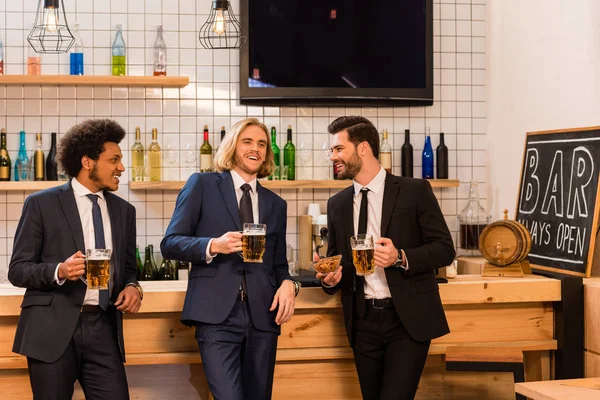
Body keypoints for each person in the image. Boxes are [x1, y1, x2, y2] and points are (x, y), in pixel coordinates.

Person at [161, 117, 299, 400]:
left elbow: (279, 265)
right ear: (233, 146)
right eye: (247, 141)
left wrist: (289, 284)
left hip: (263, 316)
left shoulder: (276, 204)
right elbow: (170, 244)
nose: (255, 149)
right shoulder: (202, 184)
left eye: (262, 144)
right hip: (216, 316)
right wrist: (214, 245)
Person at [318, 116, 455, 400]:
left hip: (406, 321)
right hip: (362, 321)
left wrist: (400, 256)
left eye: (339, 149)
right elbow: (337, 262)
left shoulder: (415, 191)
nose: (333, 157)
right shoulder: (337, 204)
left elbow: (444, 248)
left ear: (363, 148)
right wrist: (329, 279)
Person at [8, 119, 142, 400]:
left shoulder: (124, 211)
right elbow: (18, 270)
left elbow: (129, 269)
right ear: (87, 162)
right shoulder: (42, 203)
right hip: (51, 329)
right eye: (114, 159)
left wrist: (133, 288)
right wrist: (59, 270)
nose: (121, 167)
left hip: (104, 328)